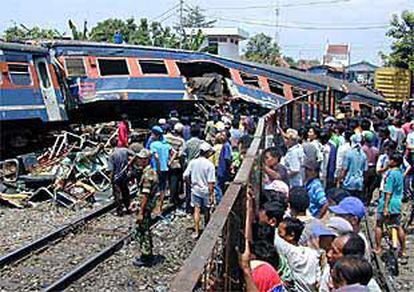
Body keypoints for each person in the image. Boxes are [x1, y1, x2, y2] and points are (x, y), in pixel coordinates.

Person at [273, 217, 321, 291]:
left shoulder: (290, 251)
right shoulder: (313, 254)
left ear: (291, 236)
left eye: (280, 232)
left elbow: (274, 237)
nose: (278, 234)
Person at [374, 152, 407, 261]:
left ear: (395, 162)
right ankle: (403, 250)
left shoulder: (391, 174)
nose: (389, 161)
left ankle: (378, 248)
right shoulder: (400, 173)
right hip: (397, 203)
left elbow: (388, 191)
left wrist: (385, 207)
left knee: (379, 225)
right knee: (398, 226)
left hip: (388, 203)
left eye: (391, 160)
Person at [183, 142, 216, 239]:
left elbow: (185, 176)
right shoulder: (210, 165)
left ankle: (197, 231)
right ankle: (207, 229)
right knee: (207, 210)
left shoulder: (193, 162)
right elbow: (211, 182)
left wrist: (190, 184)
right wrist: (211, 195)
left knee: (196, 210)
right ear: (207, 153)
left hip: (195, 190)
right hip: (206, 190)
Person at [132, 149, 159, 267]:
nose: (138, 160)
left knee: (143, 231)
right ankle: (147, 253)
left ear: (146, 160)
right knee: (144, 229)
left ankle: (146, 256)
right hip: (148, 205)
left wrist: (140, 212)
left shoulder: (148, 175)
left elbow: (145, 195)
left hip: (146, 207)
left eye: (141, 159)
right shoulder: (150, 172)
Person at [328, 196, 371, 261]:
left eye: (341, 216)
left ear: (354, 220)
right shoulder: (341, 235)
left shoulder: (358, 243)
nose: (337, 218)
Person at [149, 126, 175, 214]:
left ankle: (154, 206)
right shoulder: (166, 144)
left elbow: (156, 156)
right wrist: (169, 162)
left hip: (157, 169)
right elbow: (174, 152)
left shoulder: (153, 144)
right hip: (166, 169)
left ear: (156, 135)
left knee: (154, 188)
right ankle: (160, 206)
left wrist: (158, 167)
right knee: (163, 188)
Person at [108, 138, 135, 216]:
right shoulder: (124, 150)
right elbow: (135, 154)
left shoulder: (112, 155)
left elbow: (111, 170)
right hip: (125, 175)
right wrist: (130, 162)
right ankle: (128, 207)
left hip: (116, 177)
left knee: (117, 194)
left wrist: (111, 180)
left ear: (110, 145)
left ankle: (119, 211)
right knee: (125, 191)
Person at [338, 134, 368, 201]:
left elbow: (344, 169)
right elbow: (365, 170)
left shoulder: (349, 153)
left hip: (349, 182)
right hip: (359, 182)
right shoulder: (363, 155)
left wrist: (340, 179)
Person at [165, 123, 185, 207]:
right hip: (175, 163)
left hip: (165, 161)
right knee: (174, 181)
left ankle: (168, 195)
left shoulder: (166, 137)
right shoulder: (181, 141)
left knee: (167, 179)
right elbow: (180, 154)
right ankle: (173, 198)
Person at [361, 132, 379, 206]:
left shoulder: (362, 149)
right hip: (373, 168)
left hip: (365, 169)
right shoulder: (376, 150)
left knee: (364, 186)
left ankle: (363, 201)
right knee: (370, 187)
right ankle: (368, 201)